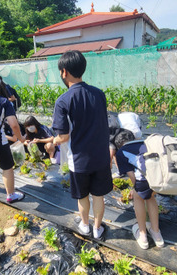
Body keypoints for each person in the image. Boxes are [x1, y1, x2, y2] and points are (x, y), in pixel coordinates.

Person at [52, 50, 112, 240]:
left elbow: (62, 136)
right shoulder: (99, 94)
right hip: (101, 157)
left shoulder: (63, 101)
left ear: (64, 72)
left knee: (83, 196)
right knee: (99, 196)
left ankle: (85, 226)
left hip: (79, 161)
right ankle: (97, 228)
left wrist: (53, 141)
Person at [114, 130, 164, 249]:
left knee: (138, 197)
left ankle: (143, 236)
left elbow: (133, 176)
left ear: (119, 144)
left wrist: (136, 189)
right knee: (151, 197)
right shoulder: (145, 143)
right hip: (158, 177)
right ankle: (157, 234)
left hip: (143, 178)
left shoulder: (121, 152)